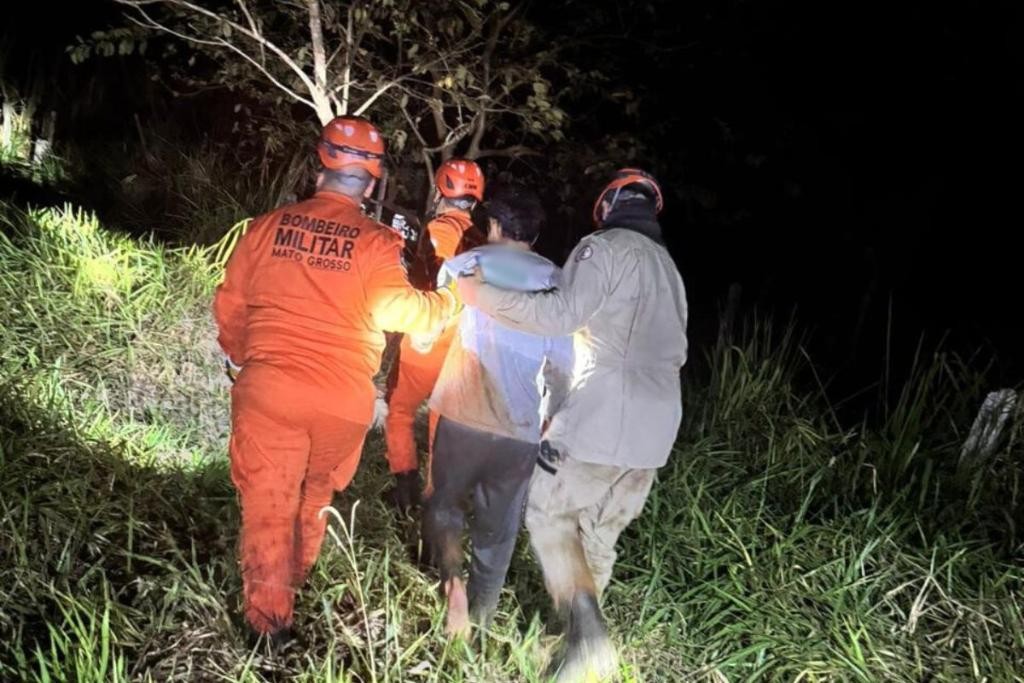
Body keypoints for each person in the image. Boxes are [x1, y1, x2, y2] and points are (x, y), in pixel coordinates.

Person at [213, 116, 459, 644]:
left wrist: (238, 358)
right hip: (341, 404)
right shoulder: (376, 241)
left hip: (270, 390)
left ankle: (268, 623)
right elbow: (402, 311)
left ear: (319, 165)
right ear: (371, 184)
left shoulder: (267, 227)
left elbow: (231, 304)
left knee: (270, 502)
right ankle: (289, 587)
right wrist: (450, 300)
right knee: (314, 493)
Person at [457, 169, 688, 680]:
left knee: (549, 513)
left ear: (607, 206)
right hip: (659, 424)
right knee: (599, 534)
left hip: (606, 411)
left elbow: (561, 314)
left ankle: (588, 636)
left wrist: (482, 296)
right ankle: (575, 657)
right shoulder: (668, 267)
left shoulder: (602, 248)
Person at [422, 185, 573, 637]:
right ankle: (483, 615)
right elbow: (562, 368)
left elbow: (430, 331)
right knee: (498, 530)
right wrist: (552, 415)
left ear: (493, 227)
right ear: (534, 234)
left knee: (444, 503)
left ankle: (452, 581)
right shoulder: (558, 282)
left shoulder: (463, 266)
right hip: (520, 428)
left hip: (460, 416)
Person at [383, 159, 486, 511]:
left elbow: (441, 280)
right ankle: (436, 501)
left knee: (399, 408)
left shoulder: (440, 230)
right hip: (463, 346)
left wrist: (426, 329)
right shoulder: (482, 240)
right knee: (440, 425)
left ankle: (405, 487)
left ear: (441, 191)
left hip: (428, 340)